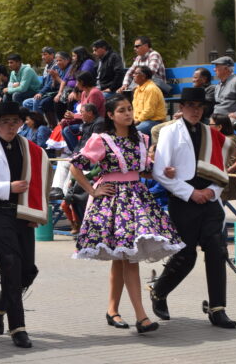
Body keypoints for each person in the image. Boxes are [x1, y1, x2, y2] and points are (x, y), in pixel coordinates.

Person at [69, 94, 183, 334]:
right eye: (121, 110)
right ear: (110, 115)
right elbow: (75, 167)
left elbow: (146, 170)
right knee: (128, 258)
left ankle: (113, 310)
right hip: (113, 202)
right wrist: (93, 190)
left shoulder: (141, 138)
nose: (128, 114)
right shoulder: (101, 140)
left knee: (124, 258)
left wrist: (164, 171)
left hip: (137, 199)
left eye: (129, 109)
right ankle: (141, 317)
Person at [149, 87, 236, 329]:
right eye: (191, 106)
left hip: (210, 199)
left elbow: (221, 170)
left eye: (200, 107)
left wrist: (212, 191)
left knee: (217, 251)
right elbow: (160, 171)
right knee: (186, 255)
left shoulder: (212, 134)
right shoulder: (169, 132)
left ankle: (218, 308)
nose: (196, 111)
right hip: (183, 199)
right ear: (181, 107)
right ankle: (159, 291)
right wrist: (190, 193)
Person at [0, 101, 52, 349]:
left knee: (28, 270)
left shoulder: (29, 148)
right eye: (5, 121)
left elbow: (41, 178)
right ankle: (19, 327)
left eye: (15, 121)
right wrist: (7, 188)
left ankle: (0, 303)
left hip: (23, 212)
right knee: (10, 265)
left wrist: (33, 209)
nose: (11, 126)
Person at [130, 66, 166, 136]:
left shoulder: (151, 89)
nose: (133, 75)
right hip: (141, 120)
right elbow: (135, 108)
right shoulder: (137, 89)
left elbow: (149, 112)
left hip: (153, 121)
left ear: (143, 76)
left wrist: (136, 122)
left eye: (136, 73)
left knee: (133, 132)